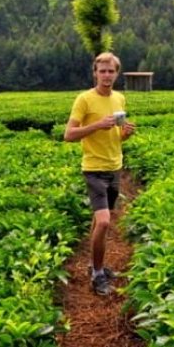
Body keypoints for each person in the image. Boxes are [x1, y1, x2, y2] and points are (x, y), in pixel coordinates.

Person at [64, 52, 137, 295]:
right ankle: (97, 274)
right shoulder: (84, 99)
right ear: (95, 73)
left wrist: (124, 134)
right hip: (93, 168)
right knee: (104, 221)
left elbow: (115, 136)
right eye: (102, 71)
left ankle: (95, 264)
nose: (106, 75)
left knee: (100, 219)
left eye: (111, 71)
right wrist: (97, 125)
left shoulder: (120, 98)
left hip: (115, 166)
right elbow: (69, 135)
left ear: (117, 74)